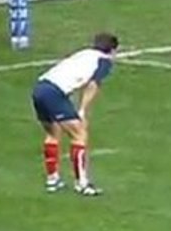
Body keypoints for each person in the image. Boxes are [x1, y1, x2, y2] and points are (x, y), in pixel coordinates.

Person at [31, 33, 119, 197]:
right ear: (113, 50)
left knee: (52, 132)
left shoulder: (85, 53)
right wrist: (83, 111)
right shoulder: (104, 61)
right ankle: (82, 184)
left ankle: (53, 179)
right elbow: (92, 85)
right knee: (79, 134)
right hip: (54, 93)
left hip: (40, 88)